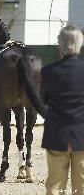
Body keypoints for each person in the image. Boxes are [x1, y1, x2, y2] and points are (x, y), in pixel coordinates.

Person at [41, 24, 84, 195]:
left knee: (54, 186)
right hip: (82, 135)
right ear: (80, 44)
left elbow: (43, 100)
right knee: (81, 188)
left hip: (56, 134)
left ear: (60, 44)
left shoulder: (47, 71)